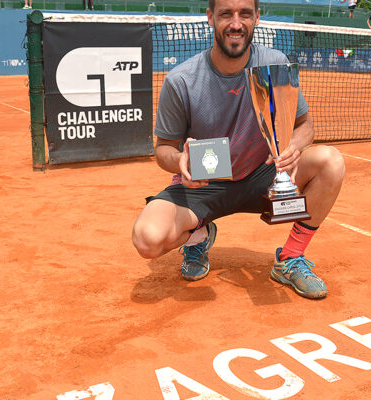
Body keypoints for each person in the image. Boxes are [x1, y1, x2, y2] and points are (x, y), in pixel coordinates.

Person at [131, 0, 346, 300]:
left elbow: (305, 126)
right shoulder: (180, 80)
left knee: (331, 162)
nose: (236, 23)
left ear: (257, 17)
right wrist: (181, 159)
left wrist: (293, 147)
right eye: (226, 14)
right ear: (210, 18)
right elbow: (163, 150)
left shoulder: (275, 64)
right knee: (146, 239)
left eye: (244, 14)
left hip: (264, 175)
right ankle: (199, 235)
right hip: (205, 184)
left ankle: (290, 258)